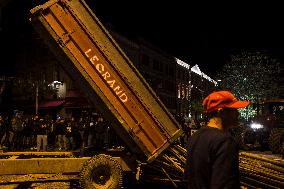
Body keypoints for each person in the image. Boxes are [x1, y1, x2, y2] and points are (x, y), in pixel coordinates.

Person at [184, 90, 250, 189]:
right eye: (234, 110)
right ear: (221, 112)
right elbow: (224, 184)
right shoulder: (224, 141)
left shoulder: (195, 137)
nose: (238, 114)